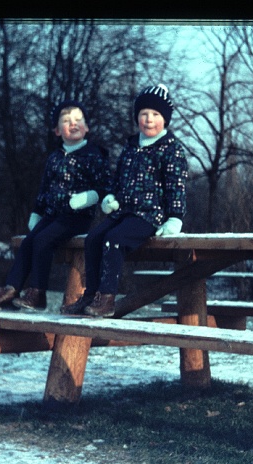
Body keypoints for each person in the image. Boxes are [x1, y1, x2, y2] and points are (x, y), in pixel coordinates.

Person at [61, 83, 187, 318]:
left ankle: (107, 298)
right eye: (144, 114)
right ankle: (91, 295)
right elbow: (117, 178)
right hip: (123, 211)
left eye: (155, 115)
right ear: (137, 116)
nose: (149, 119)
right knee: (93, 239)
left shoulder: (171, 149)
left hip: (150, 215)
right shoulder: (131, 147)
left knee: (113, 239)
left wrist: (175, 218)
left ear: (165, 119)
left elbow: (176, 185)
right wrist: (111, 196)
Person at [0, 100, 111, 311]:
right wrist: (37, 212)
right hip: (52, 215)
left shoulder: (94, 155)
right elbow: (45, 189)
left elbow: (105, 186)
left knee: (42, 240)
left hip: (76, 217)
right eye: (67, 121)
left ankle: (37, 293)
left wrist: (87, 197)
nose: (74, 124)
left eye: (79, 120)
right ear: (57, 130)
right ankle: (11, 289)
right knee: (28, 242)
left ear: (86, 127)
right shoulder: (54, 158)